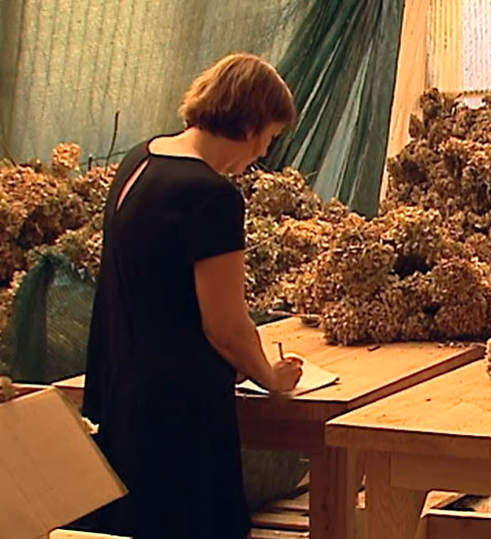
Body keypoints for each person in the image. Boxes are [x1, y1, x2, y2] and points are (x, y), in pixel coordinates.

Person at [81, 53, 305, 539]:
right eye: (269, 136)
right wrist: (270, 376)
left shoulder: (140, 161)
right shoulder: (211, 196)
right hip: (180, 414)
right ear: (249, 123)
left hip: (124, 395)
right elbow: (223, 325)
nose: (264, 152)